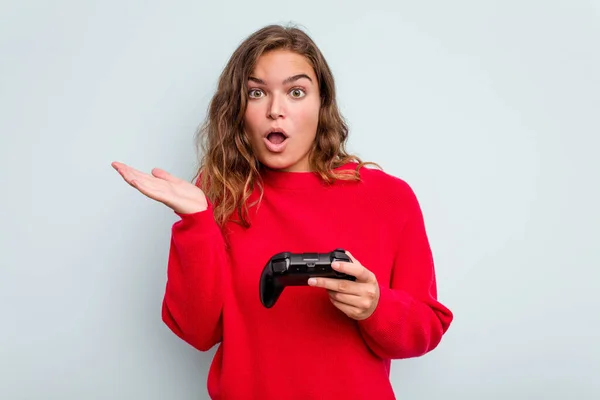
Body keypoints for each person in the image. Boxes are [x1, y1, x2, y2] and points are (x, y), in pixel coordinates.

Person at [112, 24, 453, 400]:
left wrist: (376, 306)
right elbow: (197, 332)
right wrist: (196, 222)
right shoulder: (220, 195)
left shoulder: (389, 198)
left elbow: (427, 327)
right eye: (257, 93)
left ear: (322, 104)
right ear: (238, 110)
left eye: (295, 92)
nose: (276, 110)